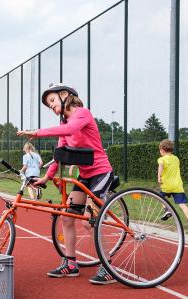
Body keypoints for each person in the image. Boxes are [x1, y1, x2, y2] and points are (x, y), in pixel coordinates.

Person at [17, 83, 115, 285]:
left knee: (89, 221)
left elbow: (71, 129)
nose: (51, 106)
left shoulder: (82, 114)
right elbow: (59, 156)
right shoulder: (64, 127)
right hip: (85, 175)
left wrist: (37, 132)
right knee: (67, 218)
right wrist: (45, 178)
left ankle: (108, 267)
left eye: (52, 101)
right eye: (48, 104)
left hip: (101, 172)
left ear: (64, 95)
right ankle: (71, 264)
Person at [157, 139, 188, 232]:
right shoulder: (176, 159)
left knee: (160, 197)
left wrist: (159, 177)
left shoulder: (161, 159)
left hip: (166, 185)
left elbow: (160, 168)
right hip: (177, 186)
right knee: (182, 204)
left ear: (162, 149)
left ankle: (167, 210)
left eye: (160, 150)